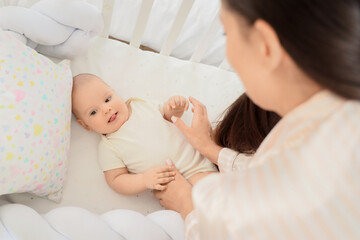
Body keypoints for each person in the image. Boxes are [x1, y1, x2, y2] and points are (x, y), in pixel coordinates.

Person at [154, 0, 360, 239]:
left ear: (265, 46)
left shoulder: (300, 180)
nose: (229, 54)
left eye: (226, 33)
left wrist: (186, 205)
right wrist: (210, 149)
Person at [71, 73, 218, 195]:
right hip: (177, 182)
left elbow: (170, 116)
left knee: (220, 189)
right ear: (85, 125)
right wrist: (143, 180)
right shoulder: (109, 146)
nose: (106, 109)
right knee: (212, 198)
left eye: (107, 99)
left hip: (200, 157)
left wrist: (175, 107)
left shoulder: (140, 105)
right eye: (93, 112)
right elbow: (115, 180)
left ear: (115, 93)